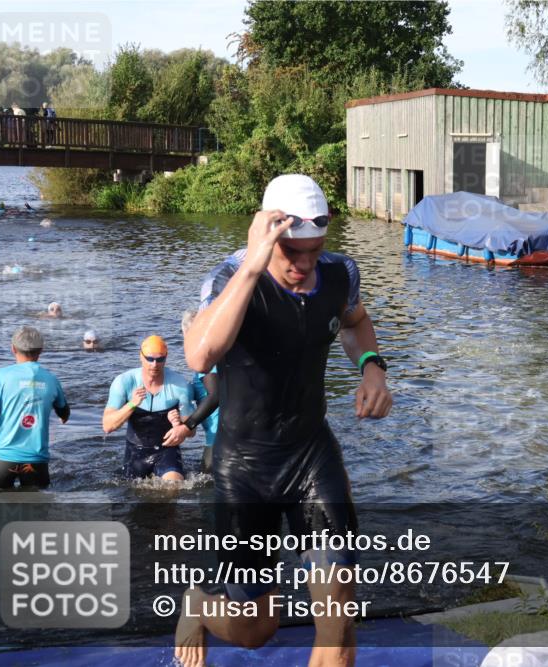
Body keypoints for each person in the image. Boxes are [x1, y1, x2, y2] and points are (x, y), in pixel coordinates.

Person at [175, 174, 392, 667]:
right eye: (292, 252)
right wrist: (254, 263)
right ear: (266, 234)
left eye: (314, 251)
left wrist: (371, 366)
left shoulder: (340, 273)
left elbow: (355, 322)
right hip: (245, 469)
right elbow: (199, 354)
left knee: (337, 619)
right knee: (256, 630)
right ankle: (200, 606)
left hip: (311, 454)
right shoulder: (228, 278)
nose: (304, 265)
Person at [0, 326, 70, 489]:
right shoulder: (51, 379)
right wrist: (62, 415)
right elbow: (64, 412)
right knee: (36, 511)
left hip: (2, 460)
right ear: (41, 350)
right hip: (36, 461)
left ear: (13, 348)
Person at [102, 335, 199, 481]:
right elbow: (107, 426)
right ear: (140, 356)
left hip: (167, 451)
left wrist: (178, 425)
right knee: (131, 495)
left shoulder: (180, 386)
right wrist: (132, 404)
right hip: (135, 452)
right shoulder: (124, 382)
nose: (154, 364)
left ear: (166, 358)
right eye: (150, 359)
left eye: (160, 359)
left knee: (174, 486)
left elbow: (191, 433)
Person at [180, 309, 219, 474]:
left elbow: (216, 396)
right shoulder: (217, 356)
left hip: (220, 439)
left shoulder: (206, 360)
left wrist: (187, 425)